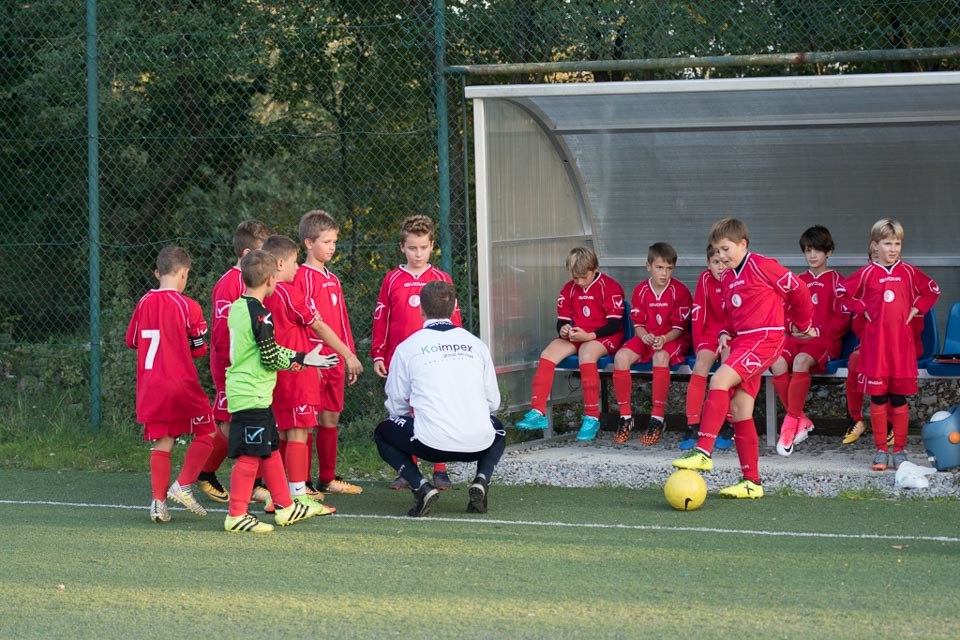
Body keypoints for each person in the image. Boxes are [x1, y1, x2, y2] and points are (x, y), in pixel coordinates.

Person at [672, 218, 815, 499]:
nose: (722, 256)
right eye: (717, 251)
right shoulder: (727, 277)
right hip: (742, 342)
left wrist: (802, 323)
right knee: (740, 410)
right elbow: (731, 315)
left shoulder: (762, 265)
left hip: (765, 339)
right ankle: (752, 482)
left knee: (719, 381)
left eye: (726, 249)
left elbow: (798, 289)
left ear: (743, 244)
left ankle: (703, 451)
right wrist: (725, 331)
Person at [223, 249, 338, 533]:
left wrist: (300, 356)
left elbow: (265, 349)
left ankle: (286, 507)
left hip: (253, 392)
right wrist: (302, 360)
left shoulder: (238, 307)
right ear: (271, 280)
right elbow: (270, 357)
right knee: (250, 455)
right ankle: (236, 514)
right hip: (251, 393)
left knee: (271, 449)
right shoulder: (262, 315)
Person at [374, 281, 505, 517]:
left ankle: (420, 486)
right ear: (454, 308)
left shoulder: (408, 347)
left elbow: (396, 405)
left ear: (421, 309)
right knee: (498, 429)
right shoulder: (476, 345)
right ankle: (481, 479)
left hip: (430, 445)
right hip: (478, 443)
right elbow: (493, 403)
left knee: (383, 430)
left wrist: (416, 421)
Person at [262, 235, 362, 505]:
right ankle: (298, 496)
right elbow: (318, 325)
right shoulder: (287, 292)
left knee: (282, 432)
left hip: (274, 370)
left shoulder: (260, 296)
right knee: (298, 431)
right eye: (293, 262)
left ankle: (279, 494)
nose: (296, 267)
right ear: (280, 264)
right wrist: (347, 355)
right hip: (296, 370)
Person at [840, 218, 940, 471]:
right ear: (875, 245)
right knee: (878, 396)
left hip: (901, 347)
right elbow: (842, 292)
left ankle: (900, 451)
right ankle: (881, 450)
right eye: (887, 243)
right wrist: (861, 309)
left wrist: (916, 308)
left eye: (897, 243)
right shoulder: (866, 274)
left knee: (898, 397)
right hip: (876, 347)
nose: (893, 249)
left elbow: (932, 290)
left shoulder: (909, 272)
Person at [126, 246, 216, 523]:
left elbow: (132, 341)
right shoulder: (188, 306)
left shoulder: (143, 302)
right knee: (208, 430)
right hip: (180, 383)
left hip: (151, 386)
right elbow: (198, 350)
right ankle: (183, 484)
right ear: (184, 273)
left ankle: (158, 502)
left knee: (163, 441)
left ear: (157, 273)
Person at [370, 215, 461, 490]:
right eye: (412, 248)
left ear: (432, 246)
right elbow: (382, 319)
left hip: (435, 360)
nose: (418, 253)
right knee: (403, 413)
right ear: (402, 247)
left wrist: (455, 355)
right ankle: (408, 470)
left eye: (423, 247)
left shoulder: (441, 279)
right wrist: (378, 354)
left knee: (436, 410)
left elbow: (455, 321)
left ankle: (440, 469)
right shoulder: (392, 279)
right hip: (401, 361)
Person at [515, 247, 626, 440]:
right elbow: (562, 320)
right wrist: (564, 330)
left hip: (603, 335)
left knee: (587, 353)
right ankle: (538, 412)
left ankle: (592, 416)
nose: (580, 282)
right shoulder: (568, 289)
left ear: (595, 268)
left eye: (584, 277)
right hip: (579, 334)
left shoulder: (610, 287)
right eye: (575, 278)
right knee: (547, 354)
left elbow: (614, 325)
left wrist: (589, 335)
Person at [199, 219, 274, 505]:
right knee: (231, 423)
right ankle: (204, 472)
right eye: (263, 253)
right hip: (231, 368)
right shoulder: (229, 283)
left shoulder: (259, 282)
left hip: (252, 368)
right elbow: (221, 335)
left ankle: (255, 483)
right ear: (247, 255)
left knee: (256, 419)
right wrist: (234, 365)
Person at [295, 210, 365, 495]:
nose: (332, 247)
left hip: (336, 359)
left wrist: (349, 356)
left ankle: (327, 478)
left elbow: (342, 321)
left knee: (330, 418)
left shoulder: (333, 279)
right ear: (309, 242)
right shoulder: (301, 277)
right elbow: (305, 324)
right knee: (306, 422)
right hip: (314, 361)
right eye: (326, 241)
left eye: (334, 241)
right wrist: (308, 359)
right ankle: (303, 482)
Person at [770, 225, 851, 456]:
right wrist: (792, 327)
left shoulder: (838, 281)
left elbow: (844, 319)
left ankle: (789, 425)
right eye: (808, 250)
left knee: (800, 361)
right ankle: (801, 419)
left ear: (829, 252)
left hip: (824, 341)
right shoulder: (797, 281)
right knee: (775, 360)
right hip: (798, 338)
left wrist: (816, 330)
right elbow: (784, 313)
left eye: (817, 250)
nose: (812, 255)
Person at [611, 242, 692, 445]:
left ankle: (657, 418)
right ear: (648, 266)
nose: (664, 273)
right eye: (659, 267)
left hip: (672, 339)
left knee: (660, 356)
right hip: (647, 337)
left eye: (669, 268)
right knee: (621, 357)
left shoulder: (680, 291)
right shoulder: (640, 290)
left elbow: (679, 328)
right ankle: (625, 417)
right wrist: (644, 335)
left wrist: (663, 339)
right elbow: (638, 323)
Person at [842, 245, 922, 448]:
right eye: (874, 258)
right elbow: (859, 326)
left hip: (902, 346)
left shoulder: (906, 282)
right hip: (875, 345)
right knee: (857, 360)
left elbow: (915, 324)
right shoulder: (866, 291)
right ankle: (856, 418)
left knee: (891, 385)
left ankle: (890, 426)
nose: (878, 262)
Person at [681, 244, 732, 451]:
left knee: (728, 368)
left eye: (724, 262)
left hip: (732, 335)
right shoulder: (704, 279)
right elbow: (698, 313)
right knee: (700, 366)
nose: (720, 267)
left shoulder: (737, 278)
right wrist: (699, 345)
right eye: (715, 262)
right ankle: (692, 425)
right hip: (710, 335)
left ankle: (729, 423)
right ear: (708, 263)